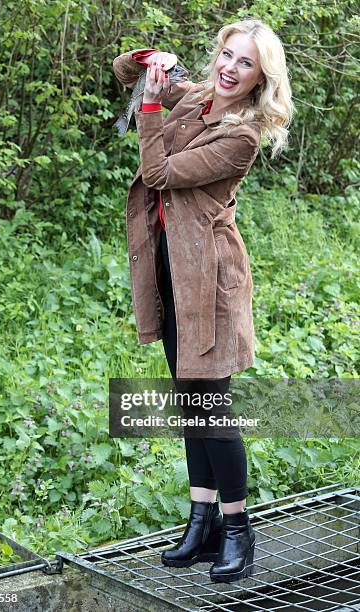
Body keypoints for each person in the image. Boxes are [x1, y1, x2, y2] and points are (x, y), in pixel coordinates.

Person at [113, 18, 294, 583]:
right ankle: (203, 521)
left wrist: (148, 109)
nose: (230, 69)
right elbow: (124, 73)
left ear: (260, 80)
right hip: (170, 269)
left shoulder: (240, 136)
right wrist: (152, 60)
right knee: (187, 400)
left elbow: (158, 172)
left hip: (209, 282)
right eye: (227, 55)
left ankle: (238, 530)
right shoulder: (195, 98)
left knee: (212, 407)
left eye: (245, 64)